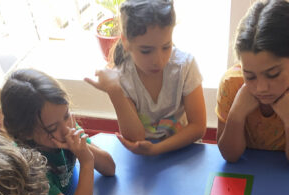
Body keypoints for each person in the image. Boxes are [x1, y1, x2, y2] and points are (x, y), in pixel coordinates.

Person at [216, 0, 289, 170]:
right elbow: (230, 156)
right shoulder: (231, 83)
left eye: (273, 74)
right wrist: (236, 114)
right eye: (249, 76)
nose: (261, 88)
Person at [84, 0, 206, 156]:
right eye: (146, 51)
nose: (158, 60)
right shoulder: (122, 76)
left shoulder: (185, 66)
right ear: (126, 42)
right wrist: (114, 91)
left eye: (166, 47)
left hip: (183, 150)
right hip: (143, 155)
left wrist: (156, 149)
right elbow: (136, 138)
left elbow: (198, 127)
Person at [0, 68, 116, 195]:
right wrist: (87, 162)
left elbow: (110, 168)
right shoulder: (28, 166)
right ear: (25, 133)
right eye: (52, 128)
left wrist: (84, 151)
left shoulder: (62, 125)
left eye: (67, 115)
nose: (67, 129)